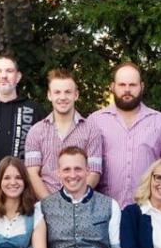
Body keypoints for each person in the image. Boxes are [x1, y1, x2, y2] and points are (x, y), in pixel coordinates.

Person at [89, 61, 161, 208]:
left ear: (141, 86)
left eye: (132, 85)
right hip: (104, 211)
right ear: (112, 87)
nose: (127, 90)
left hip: (148, 210)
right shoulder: (95, 121)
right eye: (122, 85)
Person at [24, 69, 103, 200]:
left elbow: (94, 172)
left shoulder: (91, 130)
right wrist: (51, 204)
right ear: (49, 95)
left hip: (80, 205)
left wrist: (74, 201)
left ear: (76, 95)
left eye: (68, 92)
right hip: (45, 206)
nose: (62, 97)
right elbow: (32, 173)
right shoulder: (36, 131)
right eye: (57, 92)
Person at [0, 55, 46, 162]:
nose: (4, 76)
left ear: (18, 77)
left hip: (25, 178)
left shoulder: (34, 111)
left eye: (9, 71)